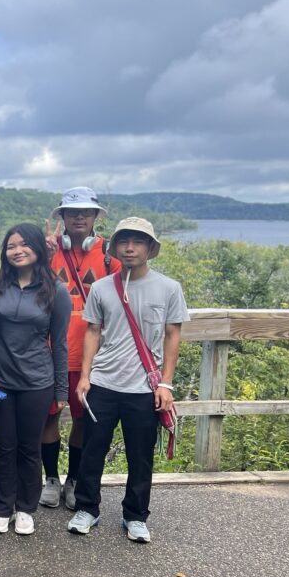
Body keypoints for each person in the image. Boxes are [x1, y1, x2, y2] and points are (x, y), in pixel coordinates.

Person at [68, 218, 188, 543]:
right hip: (104, 383)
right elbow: (92, 330)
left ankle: (135, 516)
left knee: (140, 455)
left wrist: (166, 383)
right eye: (124, 242)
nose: (130, 248)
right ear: (116, 247)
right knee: (93, 450)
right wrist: (85, 376)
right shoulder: (104, 287)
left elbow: (172, 335)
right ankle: (87, 509)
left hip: (144, 389)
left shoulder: (169, 288)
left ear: (150, 248)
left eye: (138, 242)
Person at [0, 224, 71, 536]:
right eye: (10, 246)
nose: (17, 250)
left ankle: (26, 508)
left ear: (37, 249)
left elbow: (59, 343)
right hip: (0, 383)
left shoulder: (55, 290)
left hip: (37, 382)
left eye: (23, 245)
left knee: (29, 447)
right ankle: (2, 507)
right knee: (4, 445)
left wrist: (61, 389)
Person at [40, 187, 121, 509]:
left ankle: (73, 478)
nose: (78, 217)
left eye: (85, 212)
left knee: (82, 420)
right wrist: (42, 259)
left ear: (94, 218)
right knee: (48, 418)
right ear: (61, 217)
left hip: (91, 356)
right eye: (72, 212)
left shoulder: (107, 255)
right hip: (48, 353)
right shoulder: (45, 252)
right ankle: (50, 478)